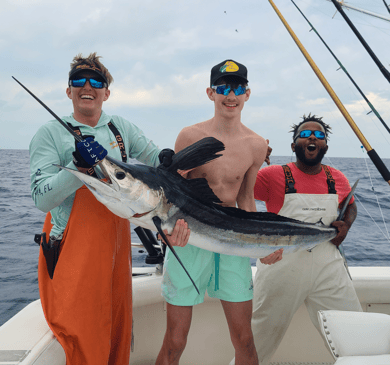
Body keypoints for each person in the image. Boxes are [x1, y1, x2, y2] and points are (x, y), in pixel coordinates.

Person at [29, 52, 190, 365]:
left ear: (106, 92)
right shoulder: (50, 134)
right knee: (84, 335)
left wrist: (171, 159)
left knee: (116, 332)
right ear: (68, 90)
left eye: (96, 81)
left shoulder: (121, 128)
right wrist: (76, 170)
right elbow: (41, 199)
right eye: (79, 80)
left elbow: (156, 157)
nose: (87, 86)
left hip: (116, 248)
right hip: (72, 249)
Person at [155, 60, 283, 365]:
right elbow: (172, 194)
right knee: (175, 340)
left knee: (244, 341)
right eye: (224, 88)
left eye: (238, 88)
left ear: (248, 94)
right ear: (211, 93)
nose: (231, 95)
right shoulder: (189, 135)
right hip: (190, 236)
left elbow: (247, 202)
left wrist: (261, 244)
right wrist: (171, 235)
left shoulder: (256, 145)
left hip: (232, 241)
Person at [239, 114, 362, 365]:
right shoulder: (272, 175)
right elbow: (237, 188)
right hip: (281, 265)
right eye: (305, 135)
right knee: (258, 342)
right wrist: (252, 160)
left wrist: (345, 226)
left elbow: (350, 205)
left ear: (325, 146)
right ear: (294, 145)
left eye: (319, 135)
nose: (312, 138)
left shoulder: (337, 177)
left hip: (329, 266)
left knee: (356, 335)